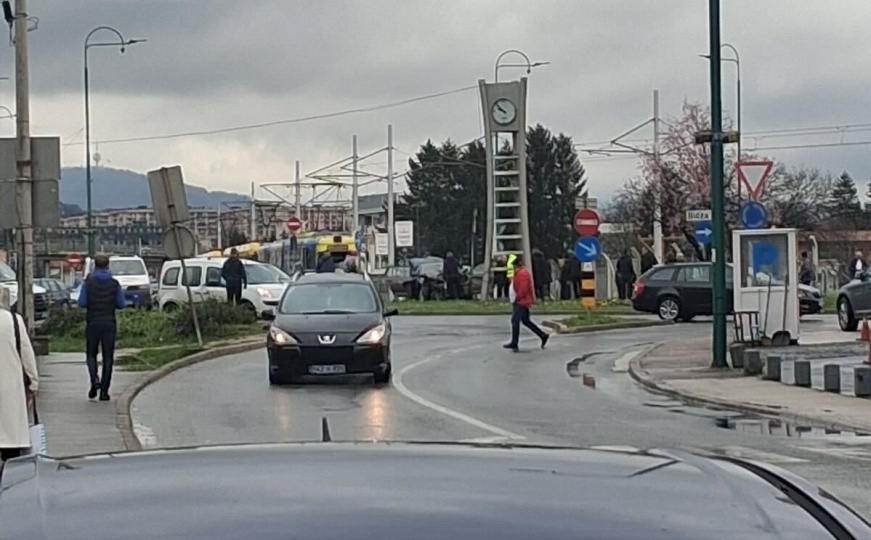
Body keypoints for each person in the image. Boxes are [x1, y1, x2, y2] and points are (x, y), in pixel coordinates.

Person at [77, 254, 125, 401]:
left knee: (91, 354)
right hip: (109, 322)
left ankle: (94, 380)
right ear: (108, 266)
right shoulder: (114, 284)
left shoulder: (88, 283)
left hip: (93, 322)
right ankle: (104, 391)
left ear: (95, 266)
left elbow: (82, 302)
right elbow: (121, 304)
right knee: (108, 358)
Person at [0, 289, 38, 462]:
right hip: (10, 390)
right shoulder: (14, 321)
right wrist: (33, 384)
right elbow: (27, 355)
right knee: (10, 441)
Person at [503, 254, 549, 352]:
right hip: (522, 300)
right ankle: (542, 335)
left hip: (521, 301)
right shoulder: (519, 273)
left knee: (515, 320)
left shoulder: (522, 274)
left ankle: (514, 342)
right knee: (525, 321)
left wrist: (517, 298)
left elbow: (523, 289)